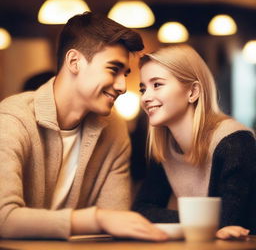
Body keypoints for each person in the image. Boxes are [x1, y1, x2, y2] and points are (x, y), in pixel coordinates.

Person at [0, 12, 168, 241]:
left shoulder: (113, 128)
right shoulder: (12, 119)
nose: (121, 86)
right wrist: (97, 218)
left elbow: (116, 223)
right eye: (113, 69)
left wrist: (107, 221)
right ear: (74, 62)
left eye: (125, 74)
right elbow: (3, 218)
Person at [133, 44, 256, 239]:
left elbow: (228, 224)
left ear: (193, 92)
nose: (145, 98)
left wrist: (195, 223)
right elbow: (142, 210)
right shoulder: (165, 148)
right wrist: (201, 222)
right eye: (143, 89)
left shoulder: (235, 144)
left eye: (157, 85)